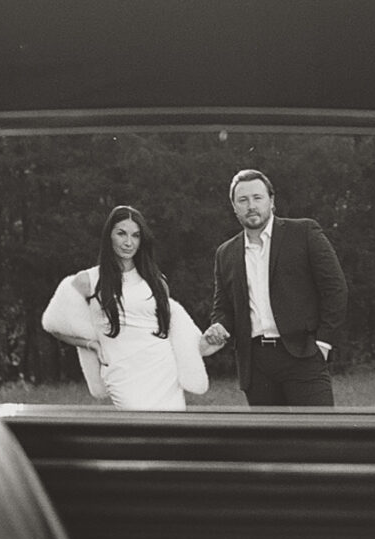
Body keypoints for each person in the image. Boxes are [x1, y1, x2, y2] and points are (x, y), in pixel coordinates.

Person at [42, 205, 220, 410]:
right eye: (121, 234)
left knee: (170, 435)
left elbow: (169, 328)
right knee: (139, 432)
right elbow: (53, 324)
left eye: (135, 236)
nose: (128, 242)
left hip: (162, 370)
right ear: (109, 236)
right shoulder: (88, 280)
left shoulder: (157, 282)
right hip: (121, 372)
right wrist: (91, 344)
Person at [204, 169, 348, 406]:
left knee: (318, 440)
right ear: (234, 207)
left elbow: (336, 289)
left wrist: (323, 343)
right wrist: (218, 325)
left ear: (272, 201)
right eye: (243, 200)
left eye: (257, 198)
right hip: (256, 365)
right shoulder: (225, 253)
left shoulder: (303, 233)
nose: (251, 205)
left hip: (304, 355)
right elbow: (223, 308)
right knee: (269, 443)